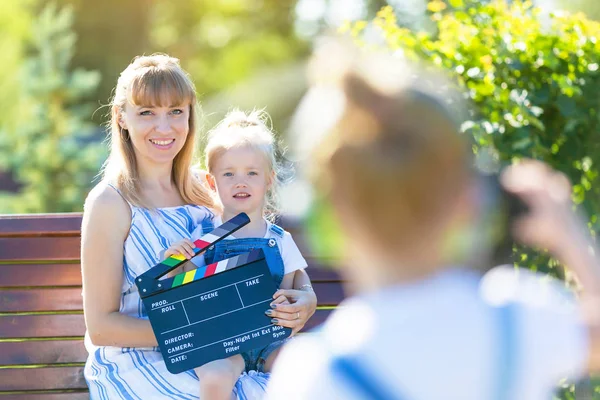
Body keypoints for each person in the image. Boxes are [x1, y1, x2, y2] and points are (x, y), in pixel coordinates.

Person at [266, 41, 600, 399]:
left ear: (324, 220)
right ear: (471, 203)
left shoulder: (316, 372)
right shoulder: (520, 316)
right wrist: (571, 237)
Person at [81, 54, 315, 400]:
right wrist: (201, 331)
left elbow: (266, 243)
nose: (165, 127)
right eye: (147, 112)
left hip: (224, 351)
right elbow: (101, 328)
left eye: (176, 111)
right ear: (122, 118)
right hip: (142, 360)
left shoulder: (210, 189)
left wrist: (304, 303)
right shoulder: (111, 202)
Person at [164, 109, 315, 400]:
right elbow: (181, 291)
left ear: (269, 180)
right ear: (212, 182)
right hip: (222, 343)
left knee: (302, 367)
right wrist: (173, 264)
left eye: (252, 173)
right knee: (216, 377)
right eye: (229, 174)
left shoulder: (279, 239)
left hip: (270, 341)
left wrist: (302, 300)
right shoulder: (203, 239)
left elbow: (299, 287)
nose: (240, 182)